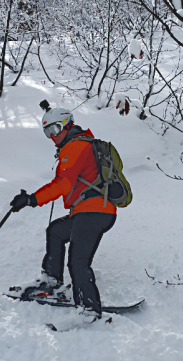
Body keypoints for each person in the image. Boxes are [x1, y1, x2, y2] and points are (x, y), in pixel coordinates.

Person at [9, 100, 117, 319]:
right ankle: (51, 282)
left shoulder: (75, 146)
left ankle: (89, 311)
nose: (52, 136)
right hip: (91, 211)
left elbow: (62, 184)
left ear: (68, 125)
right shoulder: (80, 144)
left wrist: (31, 199)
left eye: (55, 129)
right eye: (47, 132)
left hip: (93, 211)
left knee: (78, 261)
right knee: (56, 231)